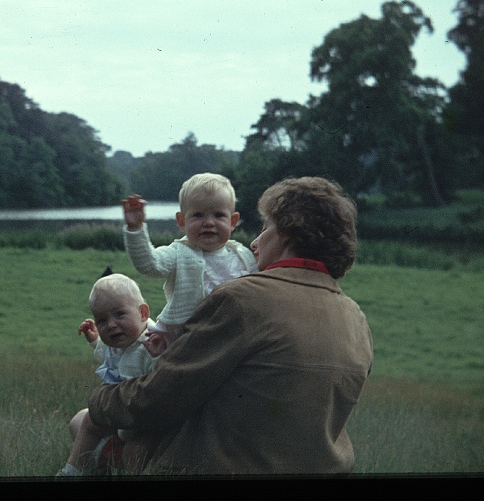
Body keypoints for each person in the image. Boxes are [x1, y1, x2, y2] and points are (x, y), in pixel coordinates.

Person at [87, 176, 374, 475]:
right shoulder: (356, 318)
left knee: (99, 435)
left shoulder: (243, 298)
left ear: (288, 234)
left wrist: (100, 401)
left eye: (265, 229)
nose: (254, 242)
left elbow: (158, 398)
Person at [122, 172, 258, 355]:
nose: (209, 223)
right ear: (181, 221)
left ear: (233, 221)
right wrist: (135, 229)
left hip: (232, 339)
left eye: (218, 215)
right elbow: (149, 265)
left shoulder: (243, 256)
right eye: (198, 215)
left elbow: (259, 291)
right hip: (187, 343)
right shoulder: (179, 253)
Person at [56, 273, 158, 477]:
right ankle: (78, 469)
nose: (110, 325)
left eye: (119, 314)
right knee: (79, 420)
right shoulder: (121, 339)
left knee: (135, 452)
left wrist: (161, 355)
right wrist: (94, 340)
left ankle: (105, 461)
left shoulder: (153, 343)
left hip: (143, 427)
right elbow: (109, 356)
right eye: (102, 320)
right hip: (117, 418)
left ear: (143, 313)